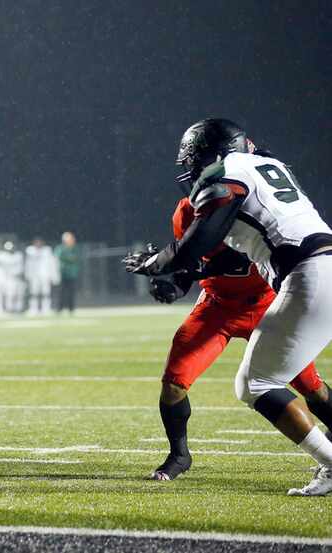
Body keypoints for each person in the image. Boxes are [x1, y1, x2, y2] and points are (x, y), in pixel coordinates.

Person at [124, 118, 332, 495]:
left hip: (303, 278)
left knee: (258, 383)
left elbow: (198, 245)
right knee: (251, 381)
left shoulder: (227, 175)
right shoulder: (268, 166)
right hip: (308, 270)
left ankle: (330, 463)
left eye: (195, 159)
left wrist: (158, 263)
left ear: (212, 154)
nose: (191, 170)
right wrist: (179, 277)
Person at [24, 237, 57, 316]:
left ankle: (46, 309)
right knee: (33, 293)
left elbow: (52, 263)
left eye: (39, 242)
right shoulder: (30, 250)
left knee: (46, 292)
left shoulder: (47, 251)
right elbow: (28, 264)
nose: (38, 244)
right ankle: (33, 309)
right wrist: (27, 274)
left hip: (45, 274)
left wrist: (53, 275)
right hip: (34, 275)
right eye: (36, 242)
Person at [54, 231, 79, 314]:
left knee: (71, 292)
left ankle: (71, 309)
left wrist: (67, 258)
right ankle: (59, 309)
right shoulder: (60, 248)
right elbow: (57, 258)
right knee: (61, 292)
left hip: (72, 273)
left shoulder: (75, 248)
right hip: (62, 273)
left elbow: (75, 258)